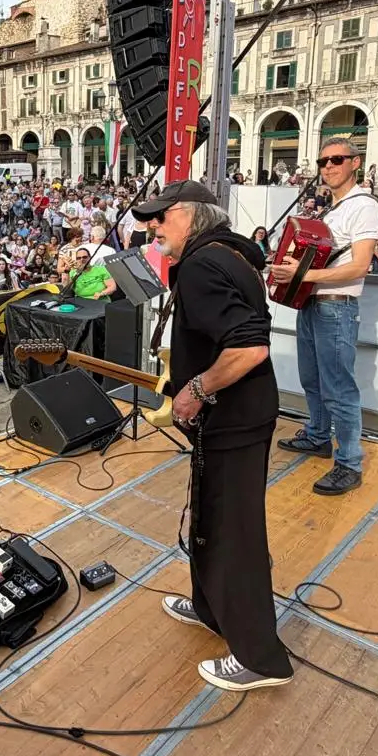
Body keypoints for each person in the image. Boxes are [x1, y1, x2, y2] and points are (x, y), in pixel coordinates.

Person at [129, 180, 288, 693]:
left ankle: (262, 657)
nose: (152, 228)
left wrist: (194, 390)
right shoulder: (228, 253)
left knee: (235, 532)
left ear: (190, 214)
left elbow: (248, 349)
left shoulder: (201, 265)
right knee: (211, 517)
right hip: (234, 415)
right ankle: (211, 609)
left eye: (159, 217)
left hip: (235, 418)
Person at [268, 138, 378, 495]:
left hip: (336, 305)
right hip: (313, 303)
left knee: (339, 389)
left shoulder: (364, 206)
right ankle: (318, 436)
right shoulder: (331, 210)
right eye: (322, 161)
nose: (328, 166)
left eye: (336, 159)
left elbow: (360, 266)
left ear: (355, 163)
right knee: (312, 379)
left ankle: (349, 463)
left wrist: (301, 276)